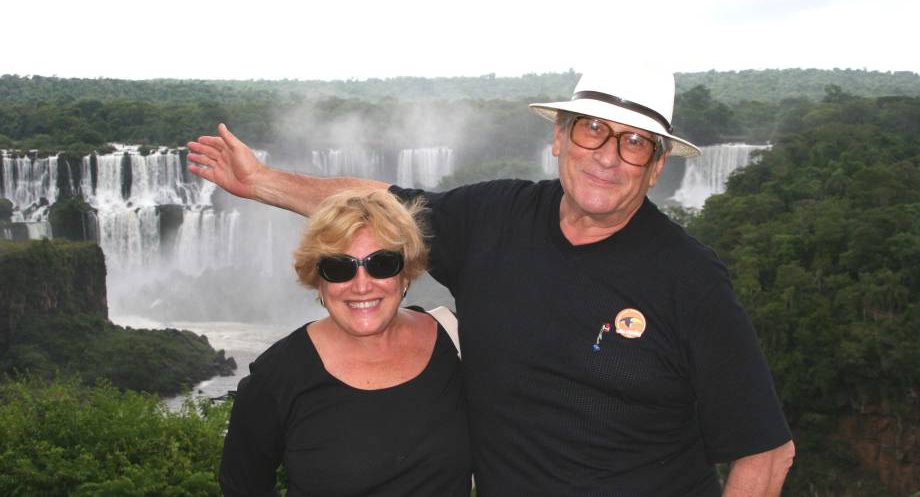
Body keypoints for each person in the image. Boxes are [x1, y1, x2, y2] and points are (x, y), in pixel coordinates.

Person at [190, 67, 795, 496]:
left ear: (658, 165)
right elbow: (383, 205)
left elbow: (768, 450)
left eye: (636, 142)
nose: (608, 156)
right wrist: (264, 183)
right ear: (558, 137)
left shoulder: (689, 279)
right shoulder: (494, 220)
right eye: (592, 130)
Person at [218, 189, 471, 496]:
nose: (362, 286)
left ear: (405, 273)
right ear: (318, 280)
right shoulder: (278, 377)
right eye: (339, 268)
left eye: (381, 263)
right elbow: (241, 486)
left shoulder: (460, 344)